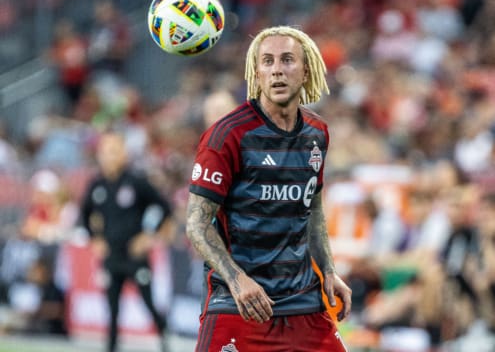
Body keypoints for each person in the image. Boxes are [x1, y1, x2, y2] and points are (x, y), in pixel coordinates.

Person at [185, 26, 352, 352]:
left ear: (306, 71)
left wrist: (329, 270)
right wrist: (237, 280)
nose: (277, 68)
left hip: (304, 304)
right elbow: (196, 224)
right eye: (268, 61)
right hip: (242, 304)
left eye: (288, 60)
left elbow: (312, 209)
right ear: (256, 74)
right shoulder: (227, 135)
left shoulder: (317, 133)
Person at [80, 131, 173, 352]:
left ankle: (165, 341)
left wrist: (148, 236)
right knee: (112, 309)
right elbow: (83, 215)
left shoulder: (136, 181)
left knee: (148, 303)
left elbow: (163, 207)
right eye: (105, 152)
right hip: (111, 256)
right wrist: (95, 240)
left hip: (135, 255)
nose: (109, 156)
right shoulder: (97, 186)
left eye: (114, 151)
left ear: (123, 154)